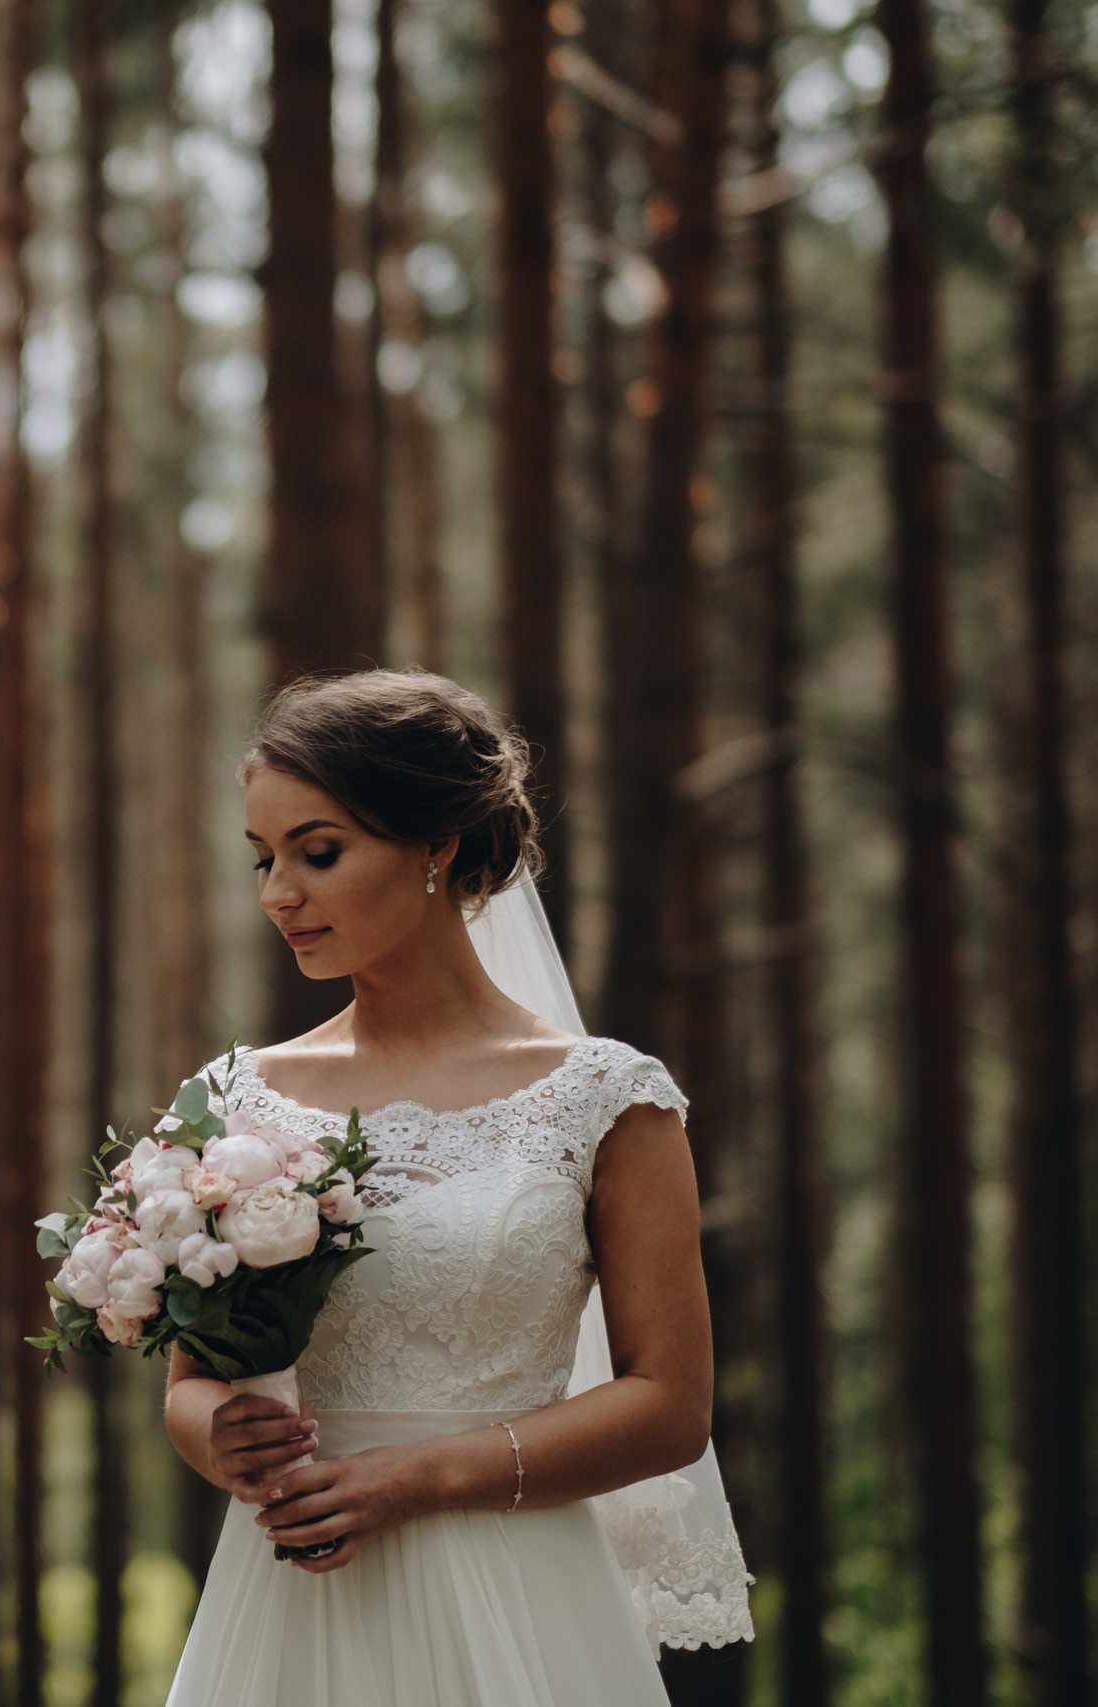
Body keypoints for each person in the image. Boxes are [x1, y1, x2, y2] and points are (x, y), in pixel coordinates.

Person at [161, 670, 750, 1706]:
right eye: (263, 858)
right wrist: (221, 1431)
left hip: (517, 1594)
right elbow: (190, 1388)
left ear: (435, 844)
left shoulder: (607, 1099)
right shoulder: (235, 1103)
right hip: (295, 1602)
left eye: (318, 851)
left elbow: (669, 1406)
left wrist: (419, 1477)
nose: (277, 894)